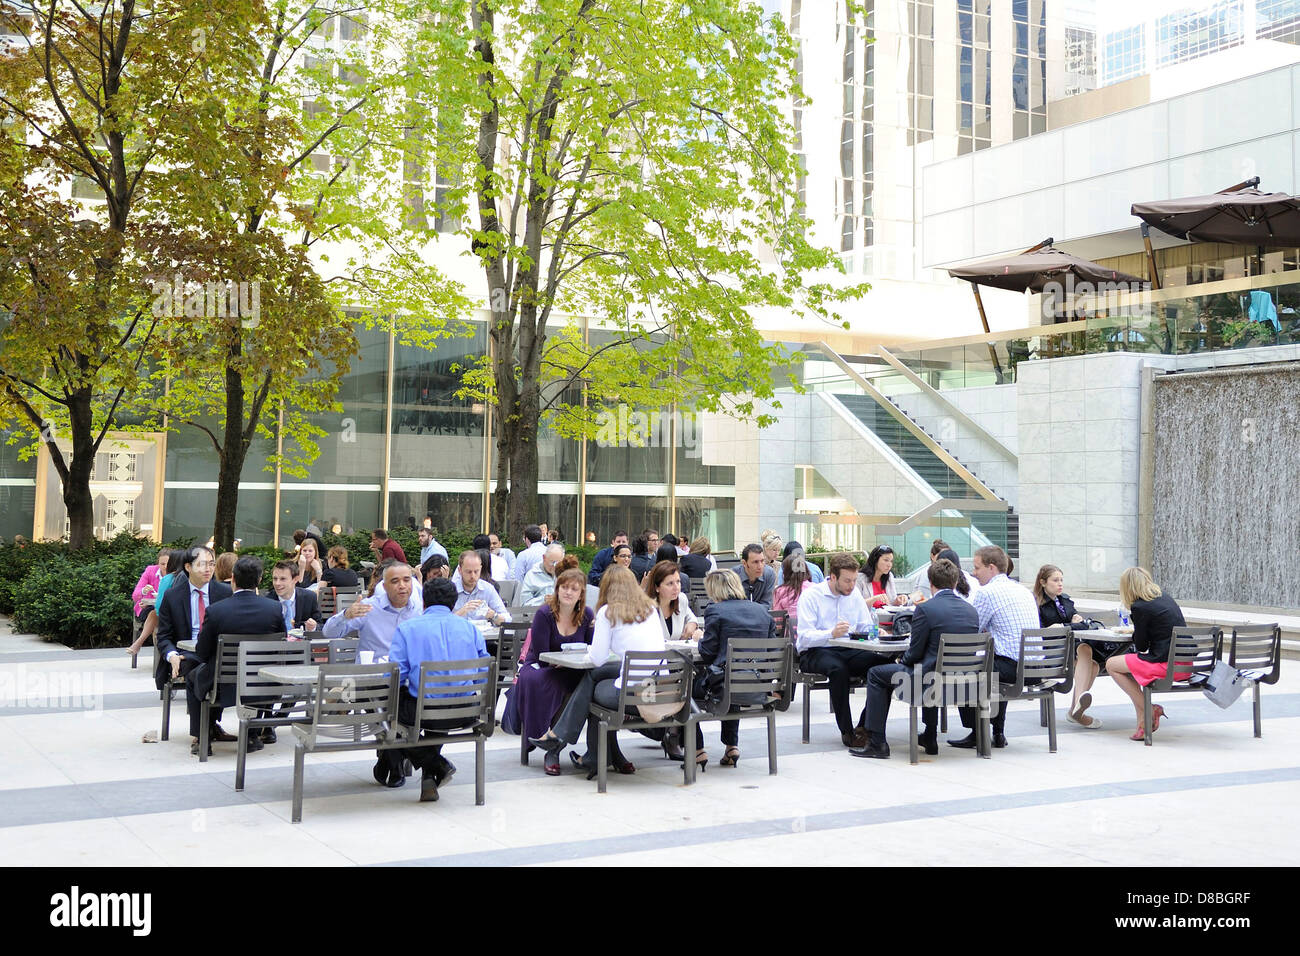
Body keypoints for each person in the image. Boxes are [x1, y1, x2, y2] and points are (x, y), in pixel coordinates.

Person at [527, 566, 664, 776]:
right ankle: (605, 755)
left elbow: (597, 658)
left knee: (593, 686)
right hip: (659, 690)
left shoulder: (607, 613)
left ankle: (565, 742)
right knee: (593, 679)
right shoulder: (652, 610)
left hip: (630, 694)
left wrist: (586, 653)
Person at [850, 559, 978, 759]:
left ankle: (877, 743)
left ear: (931, 583)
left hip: (928, 683)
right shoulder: (971, 611)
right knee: (931, 667)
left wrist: (902, 660)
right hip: (964, 682)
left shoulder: (926, 609)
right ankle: (929, 736)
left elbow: (915, 653)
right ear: (955, 583)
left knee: (876, 674)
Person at [387, 578, 490, 800]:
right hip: (466, 711)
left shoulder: (407, 629)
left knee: (387, 714)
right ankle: (428, 780)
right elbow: (485, 666)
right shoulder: (470, 629)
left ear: (424, 602)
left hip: (424, 712)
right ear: (453, 603)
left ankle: (437, 765)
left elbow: (395, 677)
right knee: (437, 700)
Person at [795, 552, 894, 747]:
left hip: (848, 648)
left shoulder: (854, 593)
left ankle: (866, 726)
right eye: (847, 581)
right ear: (833, 577)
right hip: (815, 650)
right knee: (837, 669)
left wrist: (877, 632)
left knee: (887, 667)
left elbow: (864, 626)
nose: (851, 585)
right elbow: (805, 637)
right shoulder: (811, 596)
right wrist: (830, 633)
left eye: (854, 580)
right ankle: (847, 732)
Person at [190, 556, 287, 755]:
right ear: (259, 580)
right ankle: (251, 735)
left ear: (232, 578)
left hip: (223, 684)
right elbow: (281, 644)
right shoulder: (274, 609)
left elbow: (201, 652)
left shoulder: (216, 611)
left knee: (195, 674)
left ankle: (203, 736)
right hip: (262, 684)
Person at [950, 545, 1040, 751]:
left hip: (1014, 670)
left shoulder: (987, 592)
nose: (973, 573)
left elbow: (972, 629)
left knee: (964, 669)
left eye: (977, 567)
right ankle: (998, 732)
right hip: (1037, 669)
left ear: (992, 568)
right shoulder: (1023, 590)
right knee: (997, 661)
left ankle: (977, 730)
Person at [153, 547, 234, 753]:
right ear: (188, 567)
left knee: (220, 667)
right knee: (195, 669)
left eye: (211, 564)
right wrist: (171, 656)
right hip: (185, 653)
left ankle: (209, 726)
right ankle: (201, 733)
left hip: (216, 651)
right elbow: (163, 636)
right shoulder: (173, 596)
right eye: (202, 564)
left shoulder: (224, 593)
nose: (208, 569)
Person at [694, 569, 776, 768]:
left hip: (726, 685)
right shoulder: (762, 611)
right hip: (759, 686)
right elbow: (773, 648)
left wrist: (699, 638)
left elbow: (707, 653)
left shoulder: (716, 610)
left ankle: (697, 749)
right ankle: (732, 746)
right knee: (735, 676)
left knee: (686, 687)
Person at [516, 568, 595, 775]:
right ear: (557, 589)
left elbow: (592, 648)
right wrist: (561, 662)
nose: (568, 592)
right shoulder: (544, 613)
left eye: (574, 589)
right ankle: (553, 747)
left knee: (584, 683)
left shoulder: (587, 615)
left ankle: (554, 745)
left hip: (573, 668)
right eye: (564, 587)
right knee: (553, 683)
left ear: (581, 594)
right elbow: (542, 654)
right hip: (540, 667)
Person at [1105, 567, 1187, 741]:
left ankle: (1150, 709)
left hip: (1168, 666)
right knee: (1132, 668)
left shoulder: (1140, 606)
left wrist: (1136, 632)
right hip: (1185, 664)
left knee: (1111, 664)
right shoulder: (1165, 597)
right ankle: (1142, 725)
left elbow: (1141, 646)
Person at [1035, 564, 1115, 731]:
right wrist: (1070, 625)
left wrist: (1065, 625)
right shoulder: (1036, 604)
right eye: (1055, 580)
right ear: (1043, 582)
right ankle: (1075, 712)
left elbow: (1081, 626)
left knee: (1090, 660)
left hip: (1070, 647)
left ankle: (1075, 710)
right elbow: (1044, 632)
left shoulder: (1065, 600)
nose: (1060, 584)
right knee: (1088, 656)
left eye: (1061, 580)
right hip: (1051, 651)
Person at [322, 560, 421, 663]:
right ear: (384, 586)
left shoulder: (419, 611)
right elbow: (328, 633)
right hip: (374, 673)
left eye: (406, 580)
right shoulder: (367, 608)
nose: (402, 586)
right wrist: (345, 615)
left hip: (406, 675)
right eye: (395, 581)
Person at [125, 548, 169, 657]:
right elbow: (135, 595)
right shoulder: (150, 571)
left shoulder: (176, 575)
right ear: (157, 563)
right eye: (162, 564)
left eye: (168, 563)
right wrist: (144, 591)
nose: (165, 567)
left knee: (159, 615)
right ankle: (140, 643)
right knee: (155, 613)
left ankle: (139, 643)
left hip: (169, 609)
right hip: (148, 607)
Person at [644, 560, 698, 641]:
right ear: (656, 587)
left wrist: (692, 624)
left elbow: (692, 618)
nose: (676, 588)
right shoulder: (646, 607)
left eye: (678, 582)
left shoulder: (681, 599)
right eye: (670, 583)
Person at [453, 550, 508, 623]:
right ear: (460, 570)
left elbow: (507, 618)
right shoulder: (450, 590)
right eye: (468, 572)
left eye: (476, 571)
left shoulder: (488, 589)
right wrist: (460, 612)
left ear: (481, 569)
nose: (472, 576)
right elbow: (442, 622)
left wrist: (493, 615)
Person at [270, 560, 322, 632]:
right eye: (275, 579)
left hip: (303, 642)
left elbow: (320, 625)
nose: (277, 583)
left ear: (295, 579)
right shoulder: (268, 601)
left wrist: (313, 627)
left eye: (283, 579)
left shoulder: (309, 598)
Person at [771, 551, 813, 638]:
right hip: (811, 637)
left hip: (789, 640)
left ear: (786, 572)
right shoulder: (815, 589)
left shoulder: (779, 591)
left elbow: (777, 622)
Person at [858, 545, 909, 609]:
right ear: (875, 560)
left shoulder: (889, 576)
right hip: (868, 617)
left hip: (887, 617)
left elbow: (892, 602)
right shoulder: (860, 578)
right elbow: (856, 604)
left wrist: (899, 600)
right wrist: (874, 599)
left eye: (891, 561)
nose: (889, 565)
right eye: (886, 560)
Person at [739, 543, 776, 608]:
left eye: (762, 561)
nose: (760, 566)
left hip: (760, 616)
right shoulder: (733, 576)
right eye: (755, 562)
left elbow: (766, 605)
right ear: (744, 563)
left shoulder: (769, 574)